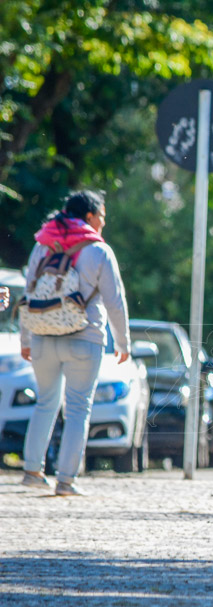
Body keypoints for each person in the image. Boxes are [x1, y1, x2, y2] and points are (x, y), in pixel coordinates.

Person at [20, 190, 131, 496]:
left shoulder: (42, 245)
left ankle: (32, 471)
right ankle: (66, 480)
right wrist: (123, 342)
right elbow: (115, 301)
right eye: (102, 217)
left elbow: (29, 294)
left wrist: (26, 339)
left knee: (45, 402)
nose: (103, 223)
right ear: (90, 217)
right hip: (85, 337)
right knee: (78, 408)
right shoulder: (98, 250)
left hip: (42, 335)